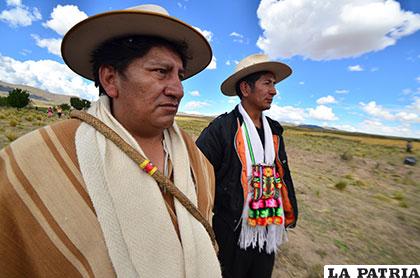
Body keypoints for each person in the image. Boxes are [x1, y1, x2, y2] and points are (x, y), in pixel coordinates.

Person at [0, 4, 221, 278]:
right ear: (110, 79)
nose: (178, 90)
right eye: (161, 72)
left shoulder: (196, 160)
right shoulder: (35, 161)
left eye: (179, 75)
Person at [196, 54, 298, 278]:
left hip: (269, 224)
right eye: (267, 83)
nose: (274, 91)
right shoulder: (222, 129)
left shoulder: (274, 131)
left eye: (274, 84)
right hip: (231, 231)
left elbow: (281, 174)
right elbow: (196, 174)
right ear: (245, 88)